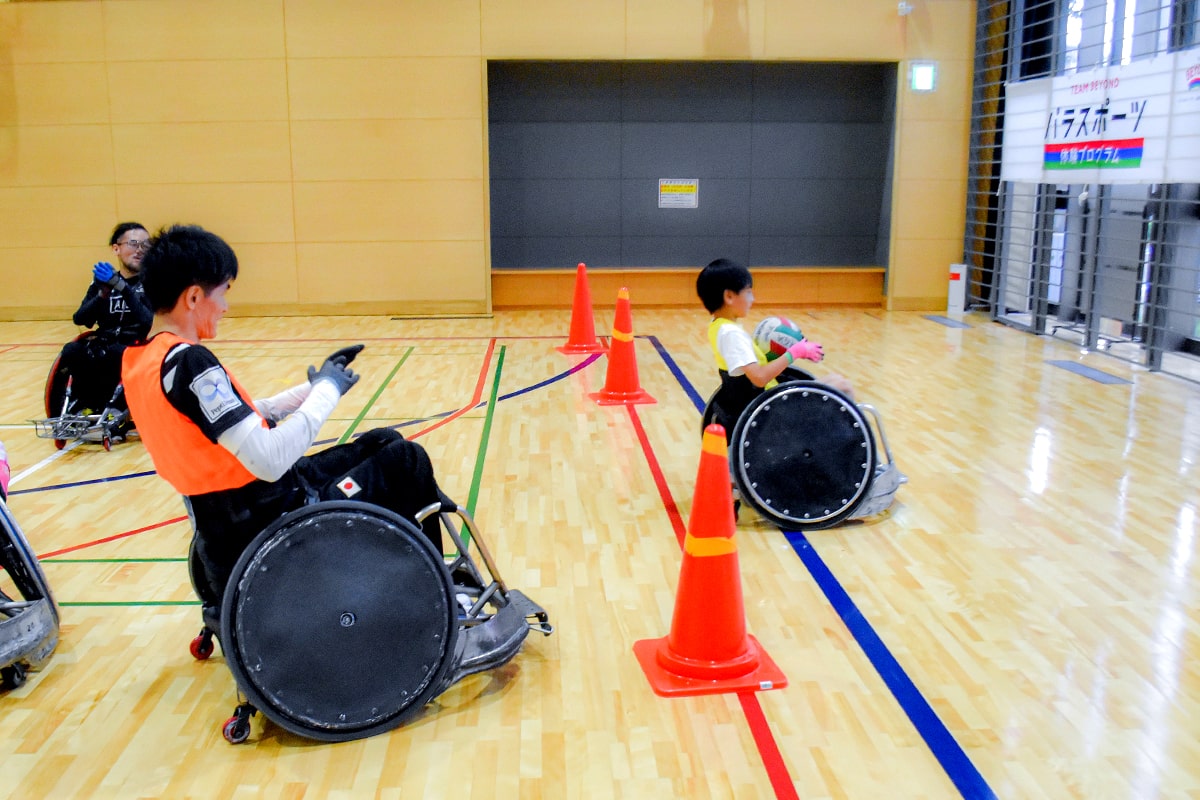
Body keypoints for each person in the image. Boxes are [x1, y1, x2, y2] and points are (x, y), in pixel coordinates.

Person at [121, 224, 448, 601]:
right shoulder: (193, 361)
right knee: (406, 459)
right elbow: (270, 459)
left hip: (226, 519)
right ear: (194, 297)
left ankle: (412, 578)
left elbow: (219, 424)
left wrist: (313, 386)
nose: (226, 307)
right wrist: (327, 391)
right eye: (223, 292)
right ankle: (435, 593)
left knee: (383, 441)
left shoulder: (146, 360)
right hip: (269, 515)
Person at [696, 257, 854, 441]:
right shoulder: (732, 333)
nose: (752, 299)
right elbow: (760, 378)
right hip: (770, 409)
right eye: (748, 293)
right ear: (729, 296)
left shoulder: (717, 326)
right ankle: (848, 446)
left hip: (768, 400)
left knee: (835, 379)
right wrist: (795, 352)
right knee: (843, 388)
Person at [52, 222, 154, 418]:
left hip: (138, 345)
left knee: (116, 352)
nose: (140, 250)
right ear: (116, 248)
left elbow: (147, 321)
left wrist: (123, 288)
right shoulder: (102, 281)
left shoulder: (153, 283)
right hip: (105, 343)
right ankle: (83, 405)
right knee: (73, 350)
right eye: (133, 244)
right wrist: (102, 294)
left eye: (145, 245)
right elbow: (81, 319)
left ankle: (118, 409)